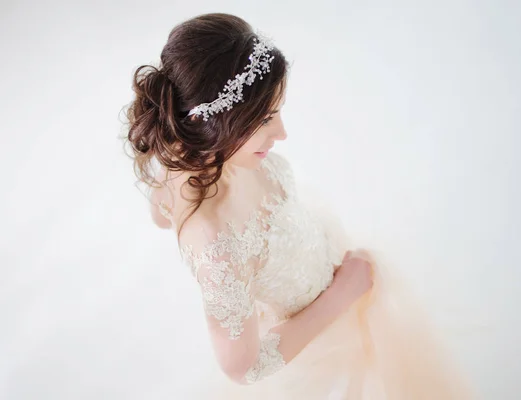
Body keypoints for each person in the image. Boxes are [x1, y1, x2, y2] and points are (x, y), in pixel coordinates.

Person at [122, 12, 471, 399]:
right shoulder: (216, 244)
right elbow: (243, 367)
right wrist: (342, 293)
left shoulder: (198, 152)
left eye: (278, 111)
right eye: (266, 118)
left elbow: (161, 211)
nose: (282, 133)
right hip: (316, 334)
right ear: (216, 122)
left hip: (314, 260)